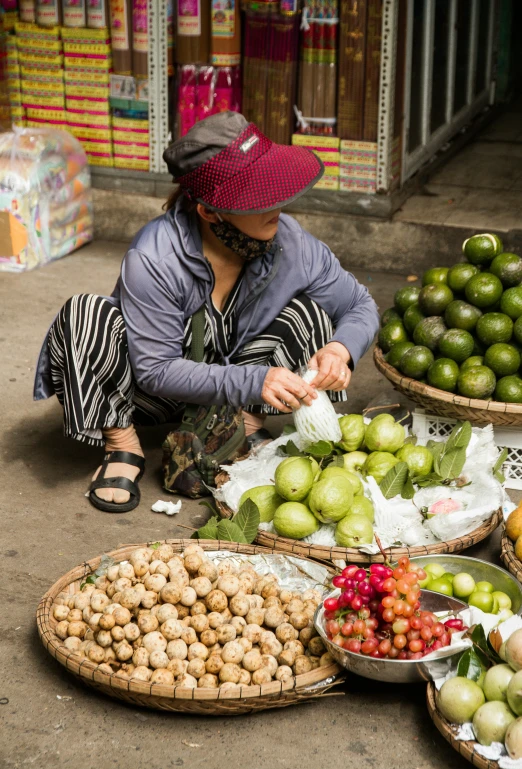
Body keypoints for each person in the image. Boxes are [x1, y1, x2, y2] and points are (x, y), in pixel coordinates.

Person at [34, 112, 379, 513]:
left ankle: (243, 428)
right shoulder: (154, 257)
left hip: (236, 395)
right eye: (258, 196)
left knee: (312, 314)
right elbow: (156, 370)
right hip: (152, 394)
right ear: (210, 212)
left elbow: (360, 304)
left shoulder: (292, 243)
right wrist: (255, 379)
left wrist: (340, 349)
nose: (280, 204)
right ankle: (122, 447)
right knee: (84, 314)